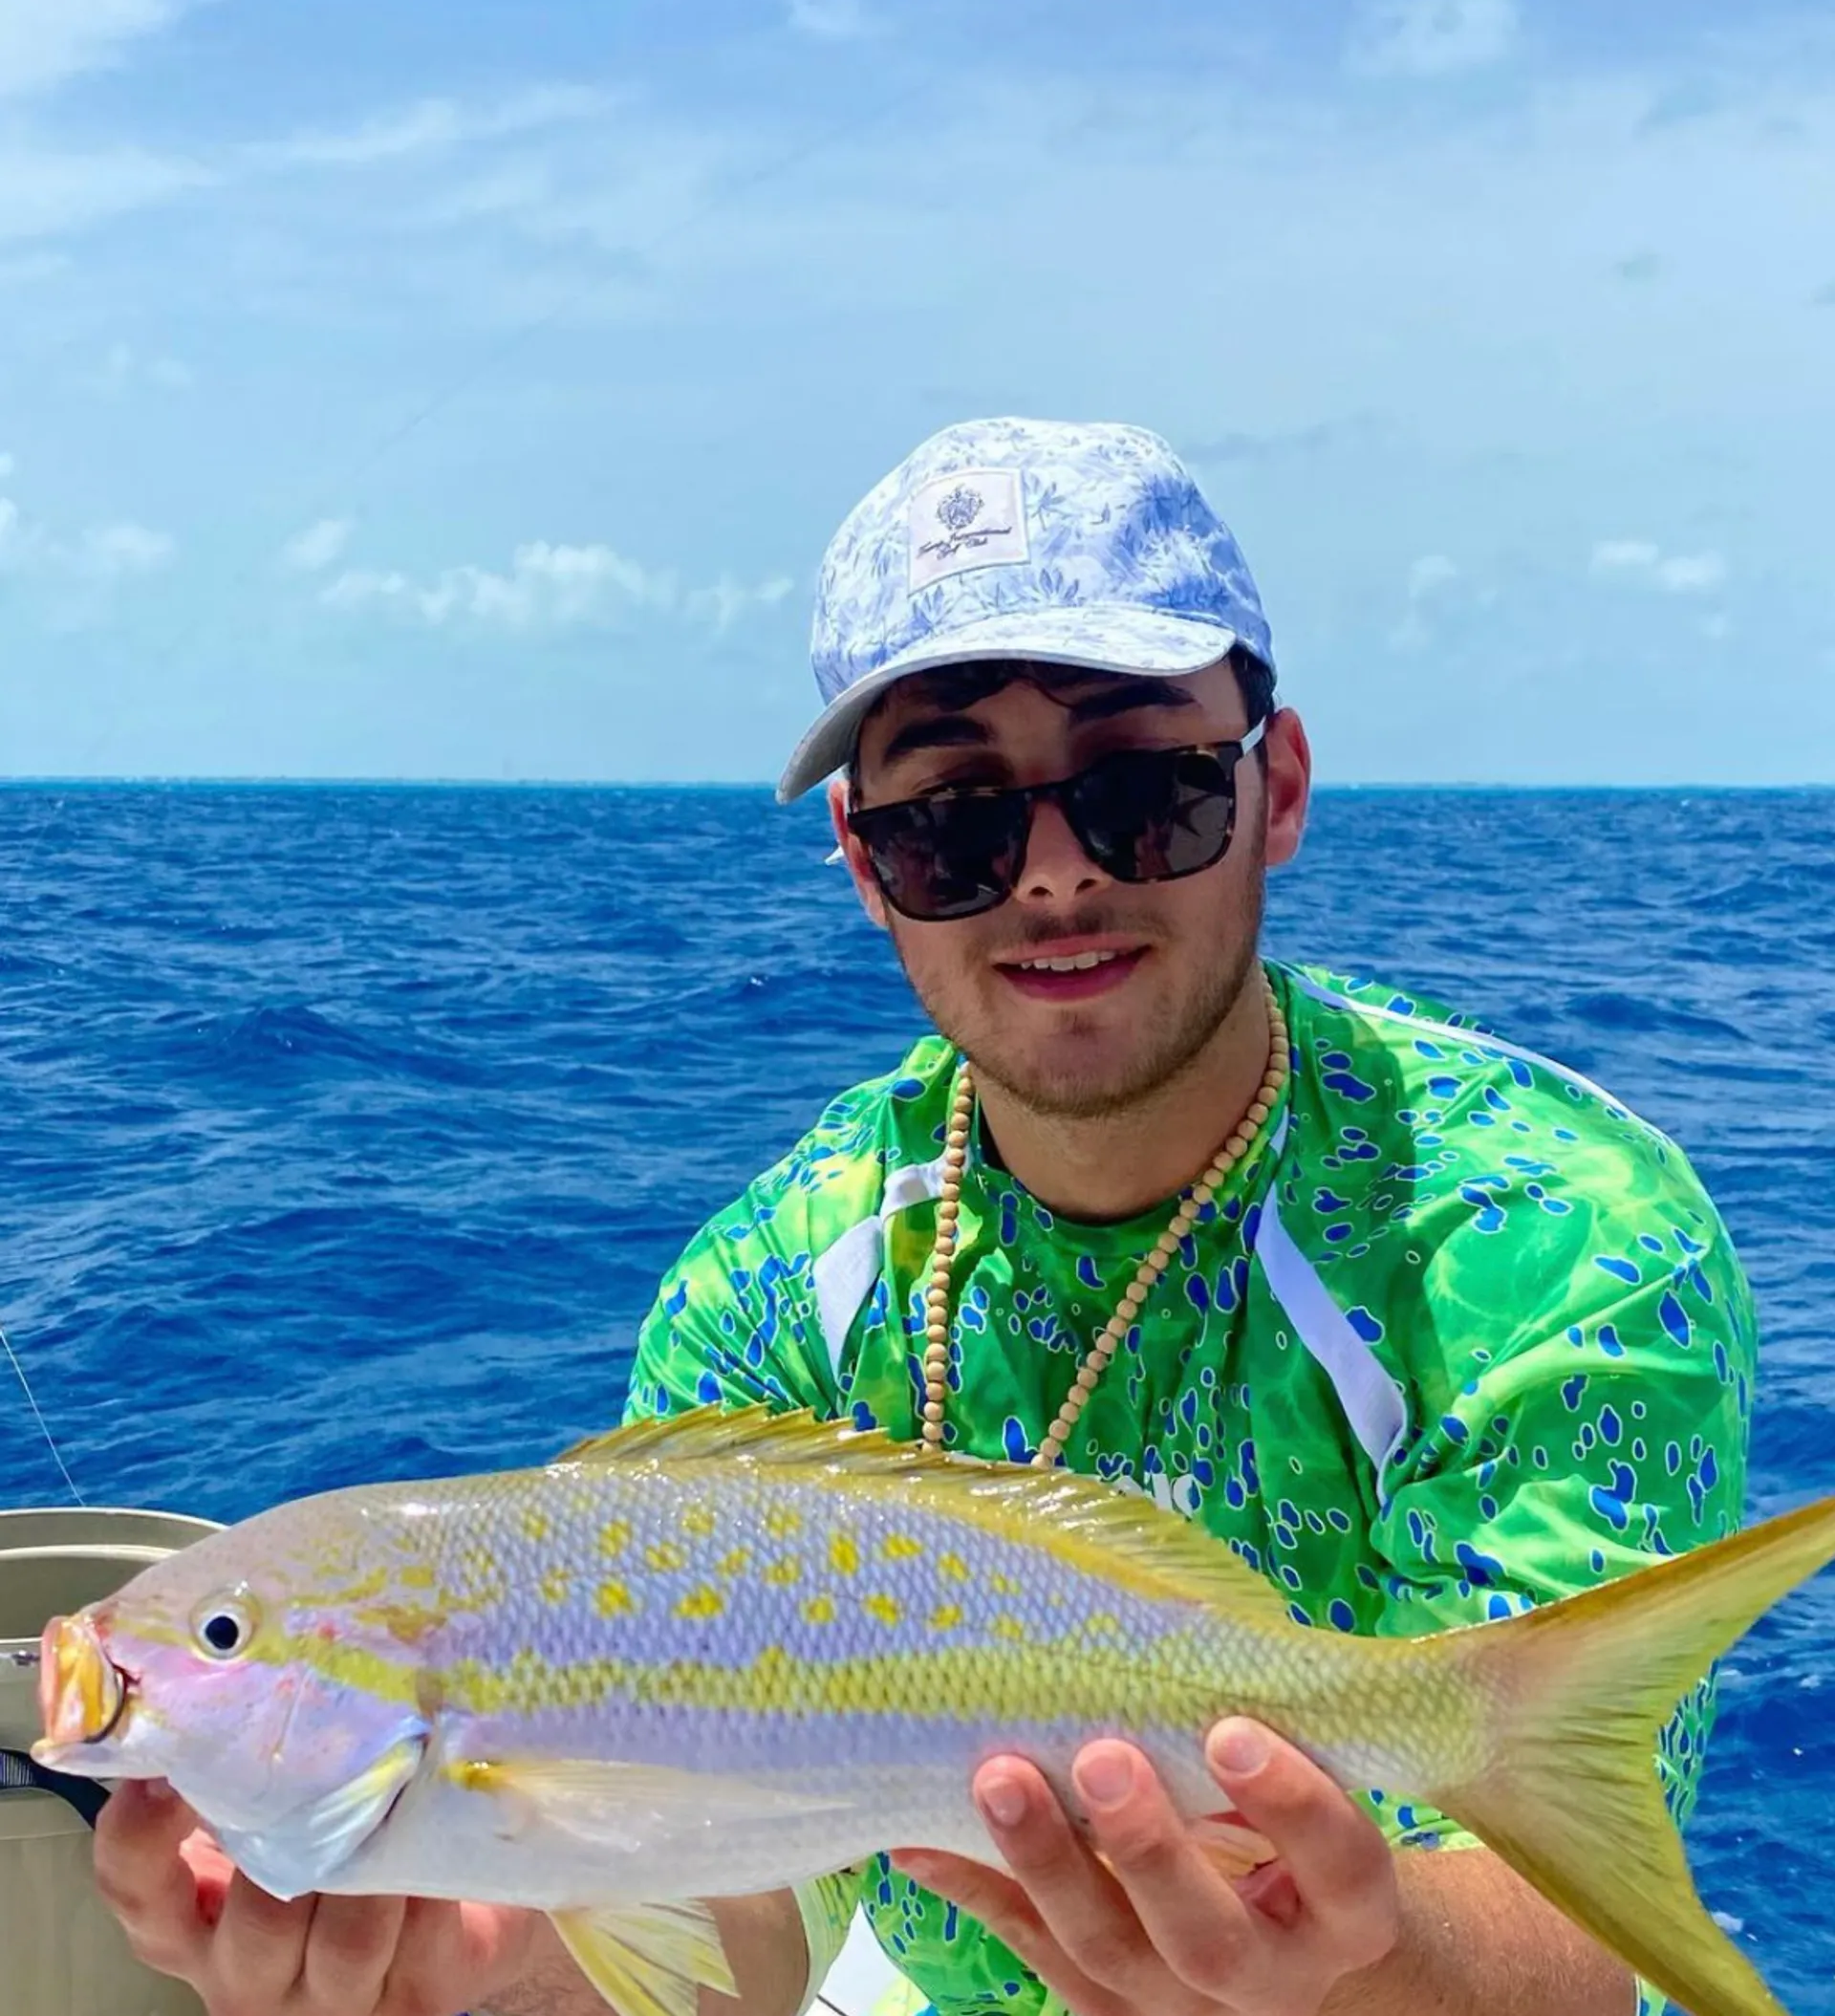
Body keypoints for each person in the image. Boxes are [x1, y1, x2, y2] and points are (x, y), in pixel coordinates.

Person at [92, 418, 1754, 2016]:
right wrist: (471, 1951)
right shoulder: (766, 1289)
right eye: (951, 822)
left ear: (1280, 788)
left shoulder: (1558, 1238)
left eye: (1141, 791)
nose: (1048, 876)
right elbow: (747, 1911)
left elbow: (1562, 1961)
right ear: (863, 860)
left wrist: (1338, 1980)